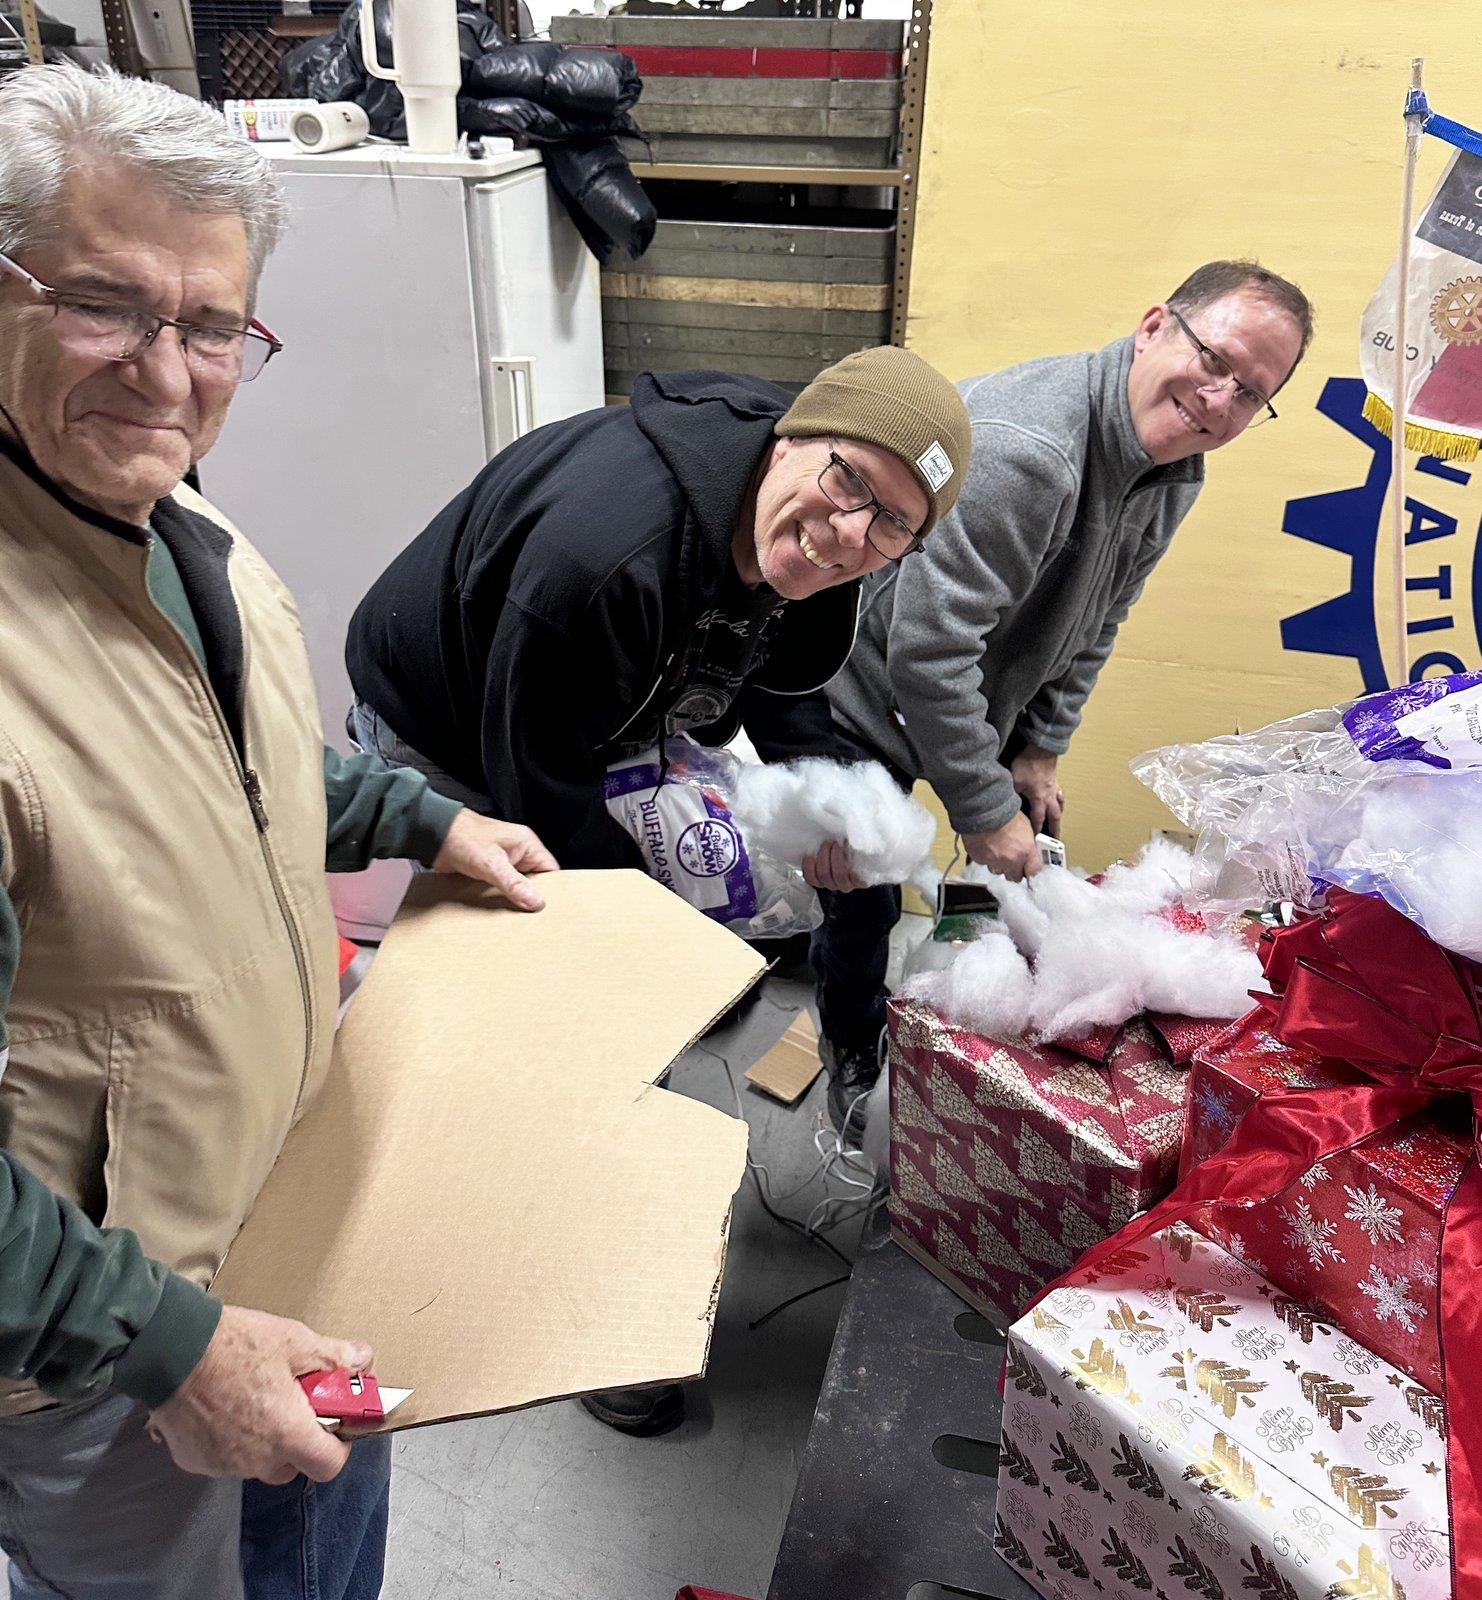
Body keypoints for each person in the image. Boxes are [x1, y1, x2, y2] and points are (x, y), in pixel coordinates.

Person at [0, 64, 555, 1600]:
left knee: (313, 1556)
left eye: (211, 328)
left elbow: (220, 759)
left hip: (279, 1215)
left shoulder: (170, 515)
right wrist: (172, 1349)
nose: (165, 375)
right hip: (98, 1341)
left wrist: (423, 816)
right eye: (102, 305)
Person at [345, 347, 971, 1435]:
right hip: (455, 736)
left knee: (639, 987)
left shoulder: (806, 540)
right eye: (848, 484)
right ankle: (580, 1307)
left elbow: (786, 692)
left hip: (595, 714)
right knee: (584, 1022)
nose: (850, 535)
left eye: (892, 527)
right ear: (794, 441)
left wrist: (828, 807)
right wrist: (646, 949)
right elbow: (539, 787)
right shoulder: (607, 553)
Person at [808, 261, 1315, 1129]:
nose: (1218, 400)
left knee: (1030, 840)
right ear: (1154, 327)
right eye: (1214, 360)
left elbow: (1099, 618)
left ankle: (978, 1068)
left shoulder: (1173, 472)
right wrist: (982, 811)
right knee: (863, 897)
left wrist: (1041, 746)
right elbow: (926, 653)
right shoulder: (1033, 452)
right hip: (860, 689)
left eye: (1250, 393)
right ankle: (854, 1063)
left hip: (962, 687)